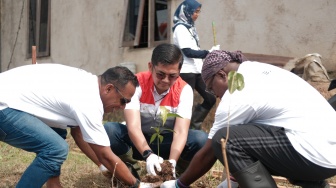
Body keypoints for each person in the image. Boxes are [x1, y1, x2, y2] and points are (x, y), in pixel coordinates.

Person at [161, 50, 336, 188]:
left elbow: (209, 152)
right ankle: (315, 184)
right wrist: (237, 178)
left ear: (221, 75)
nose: (214, 95)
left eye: (210, 87)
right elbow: (256, 140)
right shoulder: (255, 69)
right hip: (327, 154)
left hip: (313, 153)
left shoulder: (236, 96)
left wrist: (179, 184)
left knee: (224, 140)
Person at [0, 63, 152, 187]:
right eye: (123, 100)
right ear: (109, 88)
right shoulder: (89, 102)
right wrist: (137, 185)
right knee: (56, 149)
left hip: (9, 100)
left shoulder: (88, 83)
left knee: (58, 133)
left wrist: (102, 166)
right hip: (4, 106)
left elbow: (77, 131)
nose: (123, 107)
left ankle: (54, 185)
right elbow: (106, 155)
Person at [103, 43, 207, 178]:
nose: (165, 80)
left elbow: (181, 131)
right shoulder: (136, 83)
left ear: (179, 72)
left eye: (172, 76)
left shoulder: (184, 90)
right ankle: (131, 171)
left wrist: (172, 162)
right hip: (138, 141)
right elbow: (133, 126)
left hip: (166, 143)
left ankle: (175, 174)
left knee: (200, 139)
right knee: (110, 130)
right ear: (150, 67)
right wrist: (148, 155)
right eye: (160, 74)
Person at [172, 0, 219, 129]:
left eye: (198, 12)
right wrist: (208, 52)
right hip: (186, 72)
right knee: (186, 104)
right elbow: (187, 52)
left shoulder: (190, 27)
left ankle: (193, 126)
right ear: (187, 11)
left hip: (197, 70)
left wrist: (209, 53)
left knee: (210, 98)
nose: (197, 14)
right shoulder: (180, 28)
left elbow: (195, 49)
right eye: (195, 12)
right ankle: (181, 131)